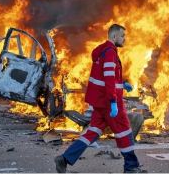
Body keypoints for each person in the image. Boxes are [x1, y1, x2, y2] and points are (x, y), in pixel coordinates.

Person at [55, 24, 144, 173]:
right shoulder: (110, 53)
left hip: (100, 103)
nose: (124, 38)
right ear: (114, 36)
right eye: (122, 36)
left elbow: (107, 79)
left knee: (92, 132)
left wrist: (122, 85)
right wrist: (113, 102)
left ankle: (64, 159)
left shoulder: (102, 51)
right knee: (124, 132)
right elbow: (108, 80)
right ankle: (131, 167)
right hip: (109, 103)